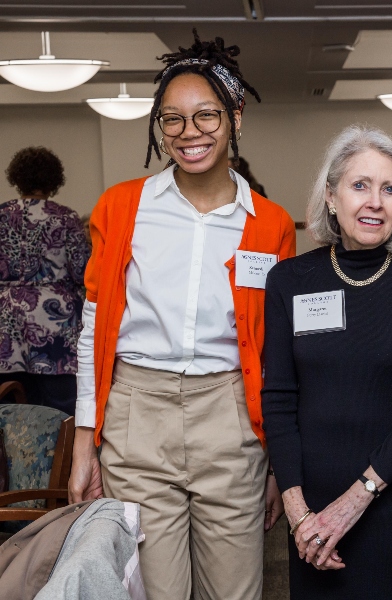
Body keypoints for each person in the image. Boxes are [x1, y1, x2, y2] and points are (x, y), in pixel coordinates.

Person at [67, 30, 296, 600]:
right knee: (157, 593)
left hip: (231, 418)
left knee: (236, 592)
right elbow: (94, 329)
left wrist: (276, 462)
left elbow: (276, 350)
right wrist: (83, 445)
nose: (189, 133)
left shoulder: (271, 223)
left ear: (236, 117)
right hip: (137, 418)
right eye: (172, 119)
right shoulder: (122, 207)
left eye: (206, 116)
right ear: (158, 127)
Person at [262, 124, 392, 599]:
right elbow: (279, 400)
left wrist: (357, 498)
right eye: (360, 185)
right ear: (331, 196)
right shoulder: (289, 280)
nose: (375, 202)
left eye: (390, 189)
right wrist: (300, 513)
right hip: (313, 510)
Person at [0, 147, 89, 415]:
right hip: (56, 322)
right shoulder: (66, 217)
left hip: (6, 318)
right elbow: (82, 271)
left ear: (17, 179)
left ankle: (13, 458)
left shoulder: (1, 215)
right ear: (54, 180)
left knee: (9, 405)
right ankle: (61, 456)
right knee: (61, 405)